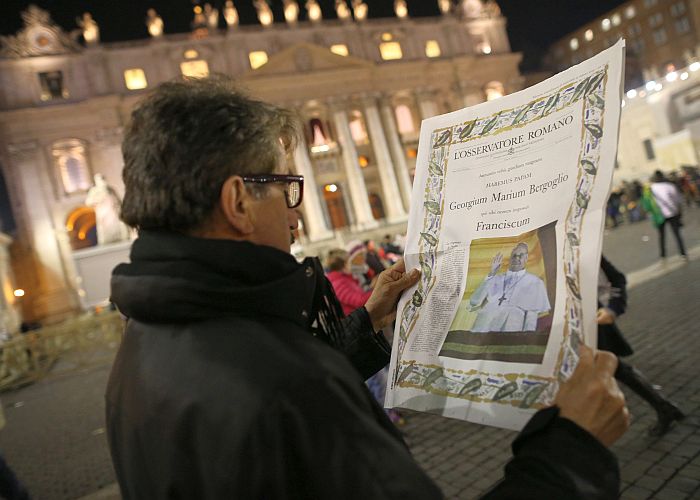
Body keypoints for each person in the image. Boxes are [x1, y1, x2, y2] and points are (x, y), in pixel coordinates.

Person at [106, 76, 629, 499]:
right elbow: (282, 397)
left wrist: (367, 327)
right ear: (239, 201)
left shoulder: (145, 341)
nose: (298, 215)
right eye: (288, 187)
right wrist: (572, 450)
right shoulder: (288, 383)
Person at [597, 256, 684, 436]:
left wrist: (612, 309)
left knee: (615, 367)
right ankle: (664, 407)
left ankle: (664, 408)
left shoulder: (582, 244)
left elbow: (617, 279)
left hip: (592, 328)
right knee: (617, 369)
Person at [469, 243, 550, 332]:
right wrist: (491, 273)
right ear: (510, 258)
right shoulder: (495, 278)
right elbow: (474, 301)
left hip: (511, 325)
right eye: (514, 256)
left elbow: (531, 315)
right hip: (484, 323)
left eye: (521, 256)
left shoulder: (535, 282)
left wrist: (527, 336)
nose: (517, 258)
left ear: (526, 258)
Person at [649, 170, 687, 260]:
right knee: (677, 234)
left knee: (661, 236)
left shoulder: (652, 188)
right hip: (672, 213)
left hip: (660, 214)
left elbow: (650, 203)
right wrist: (679, 212)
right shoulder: (670, 186)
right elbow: (678, 201)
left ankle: (663, 255)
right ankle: (683, 253)